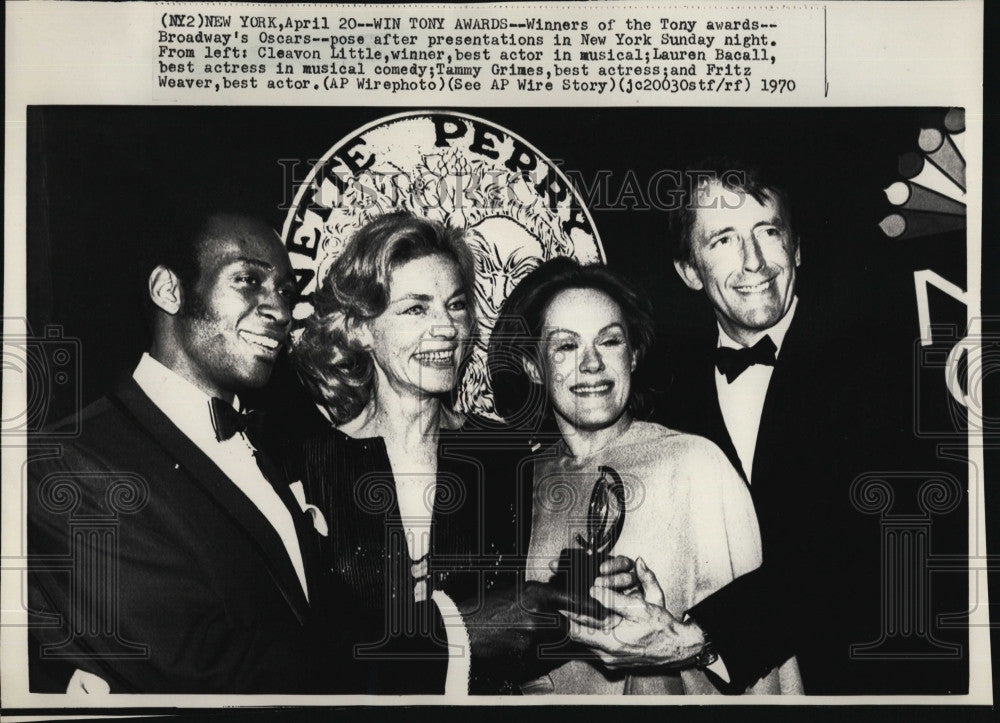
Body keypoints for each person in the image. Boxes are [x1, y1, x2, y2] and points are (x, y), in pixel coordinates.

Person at [572, 161, 963, 694]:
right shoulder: (667, 395)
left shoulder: (880, 365)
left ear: (796, 249)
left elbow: (861, 547)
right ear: (689, 271)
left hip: (869, 681)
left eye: (768, 232)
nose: (753, 261)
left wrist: (702, 636)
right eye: (724, 240)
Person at [291, 211, 626, 694]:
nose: (445, 328)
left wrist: (582, 598)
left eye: (455, 305)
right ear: (361, 328)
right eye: (416, 309)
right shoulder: (311, 463)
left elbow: (521, 631)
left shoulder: (502, 455)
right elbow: (300, 652)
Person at [26, 207, 348, 693]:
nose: (280, 311)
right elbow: (204, 671)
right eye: (247, 280)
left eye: (285, 290)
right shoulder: (71, 462)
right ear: (168, 290)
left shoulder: (273, 443)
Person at [486, 256, 802, 695]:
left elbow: (768, 667)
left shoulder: (693, 465)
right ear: (533, 367)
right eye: (565, 346)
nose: (591, 363)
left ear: (633, 355)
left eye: (610, 341)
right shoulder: (520, 485)